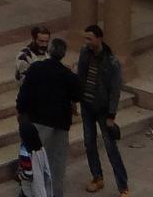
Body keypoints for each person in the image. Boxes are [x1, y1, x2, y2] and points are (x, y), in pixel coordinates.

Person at [17, 37, 77, 193]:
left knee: (33, 161)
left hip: (38, 121)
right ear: (63, 55)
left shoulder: (36, 68)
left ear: (49, 51)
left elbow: (25, 92)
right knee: (57, 163)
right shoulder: (68, 75)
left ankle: (31, 192)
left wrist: (21, 111)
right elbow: (77, 95)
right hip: (60, 124)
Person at [76, 24, 129, 194]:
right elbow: (80, 76)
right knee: (89, 143)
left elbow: (115, 91)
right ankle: (97, 177)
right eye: (86, 38)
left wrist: (111, 115)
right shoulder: (85, 53)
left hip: (103, 110)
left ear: (99, 39)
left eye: (90, 38)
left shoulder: (112, 61)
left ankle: (123, 186)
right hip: (87, 106)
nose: (87, 42)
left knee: (110, 148)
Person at [16, 24, 52, 88]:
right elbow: (25, 83)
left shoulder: (48, 53)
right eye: (41, 41)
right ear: (33, 39)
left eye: (47, 42)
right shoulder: (24, 57)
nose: (44, 45)